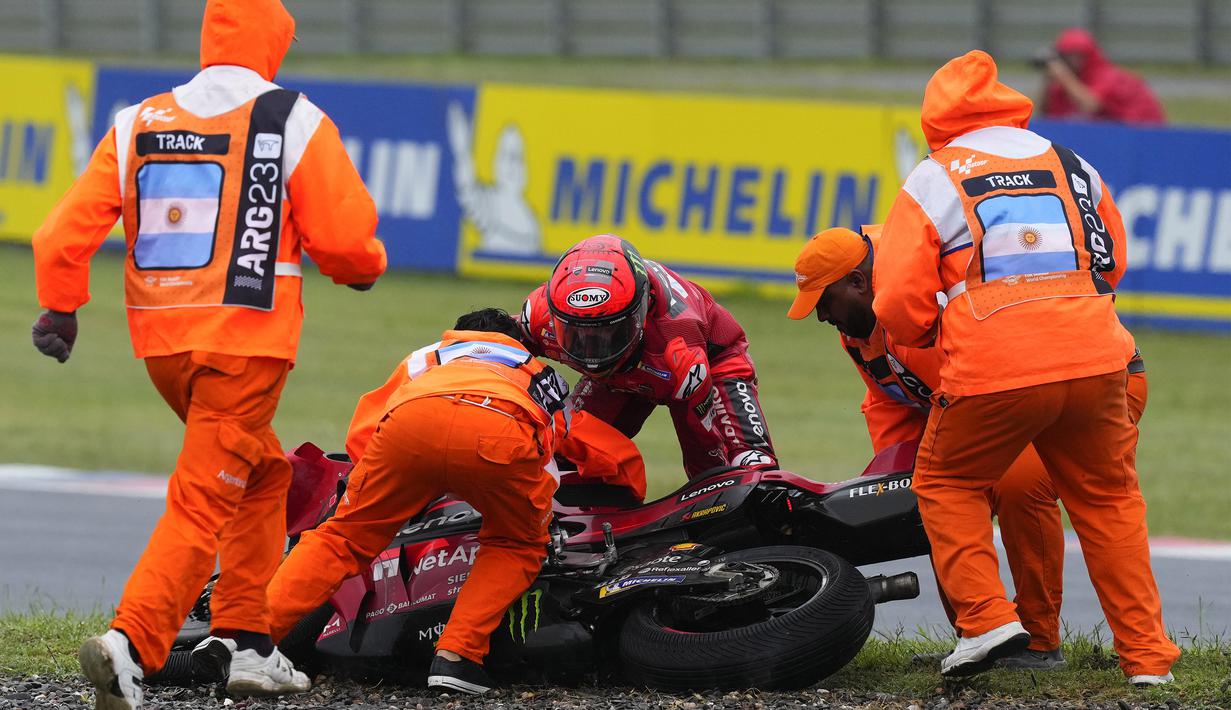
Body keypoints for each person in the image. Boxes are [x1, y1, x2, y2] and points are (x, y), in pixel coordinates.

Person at [30, 1, 388, 707]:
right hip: (244, 347)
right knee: (202, 500)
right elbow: (346, 244)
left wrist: (62, 304)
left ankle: (249, 643)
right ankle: (130, 644)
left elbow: (58, 233)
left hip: (163, 346)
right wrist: (363, 266)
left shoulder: (139, 120)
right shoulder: (291, 118)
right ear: (274, 44)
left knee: (260, 478)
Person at [872, 49, 1179, 684]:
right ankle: (1149, 661)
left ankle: (987, 621)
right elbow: (1110, 261)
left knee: (947, 483)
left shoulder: (933, 177)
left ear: (937, 120)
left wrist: (939, 328)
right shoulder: (1073, 162)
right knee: (1111, 501)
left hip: (994, 365)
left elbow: (897, 299)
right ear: (1010, 105)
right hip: (1100, 356)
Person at [787, 225, 1149, 670]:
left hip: (1091, 379)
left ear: (858, 283)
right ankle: (980, 637)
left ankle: (1039, 640)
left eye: (825, 302)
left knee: (1020, 483)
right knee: (925, 491)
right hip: (1003, 392)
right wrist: (896, 480)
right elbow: (887, 400)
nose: (823, 317)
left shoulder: (921, 298)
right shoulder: (860, 328)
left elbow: (985, 389)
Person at [260, 309, 645, 694]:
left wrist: (398, 489)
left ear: (455, 336)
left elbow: (363, 435)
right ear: (517, 343)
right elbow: (605, 451)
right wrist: (629, 494)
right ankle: (457, 657)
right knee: (517, 544)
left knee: (341, 538)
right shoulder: (537, 372)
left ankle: (244, 640)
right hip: (499, 434)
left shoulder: (426, 357)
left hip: (409, 427)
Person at [518, 234, 777, 480]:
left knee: (748, 468)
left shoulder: (678, 340)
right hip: (619, 377)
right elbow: (493, 349)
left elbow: (703, 442)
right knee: (566, 455)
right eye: (578, 334)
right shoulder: (539, 316)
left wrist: (714, 489)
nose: (594, 353)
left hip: (707, 364)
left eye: (611, 333)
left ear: (640, 312)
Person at [1037, 28, 1165, 125]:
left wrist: (1064, 75)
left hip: (1137, 134)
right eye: (1067, 55)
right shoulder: (1064, 86)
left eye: (1077, 55)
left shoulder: (1109, 77)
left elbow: (1090, 105)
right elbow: (1047, 118)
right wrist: (1047, 82)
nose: (1072, 61)